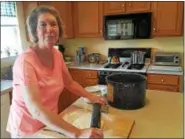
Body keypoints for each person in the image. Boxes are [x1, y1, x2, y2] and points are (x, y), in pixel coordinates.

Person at [6, 5, 106, 138]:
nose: (50, 29)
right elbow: (36, 109)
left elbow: (69, 83)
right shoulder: (25, 62)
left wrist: (91, 96)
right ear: (35, 30)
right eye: (43, 25)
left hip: (50, 123)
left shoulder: (57, 54)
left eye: (54, 24)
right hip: (27, 129)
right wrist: (78, 133)